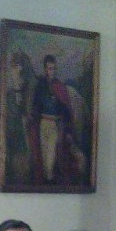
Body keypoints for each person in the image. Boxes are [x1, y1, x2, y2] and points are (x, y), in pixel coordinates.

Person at [28, 54, 79, 185]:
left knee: (50, 153)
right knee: (43, 152)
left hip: (54, 124)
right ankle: (44, 179)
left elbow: (65, 107)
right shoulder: (40, 85)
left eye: (54, 68)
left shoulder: (59, 86)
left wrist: (59, 104)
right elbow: (36, 104)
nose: (52, 71)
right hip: (42, 123)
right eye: (50, 68)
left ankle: (49, 179)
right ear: (45, 69)